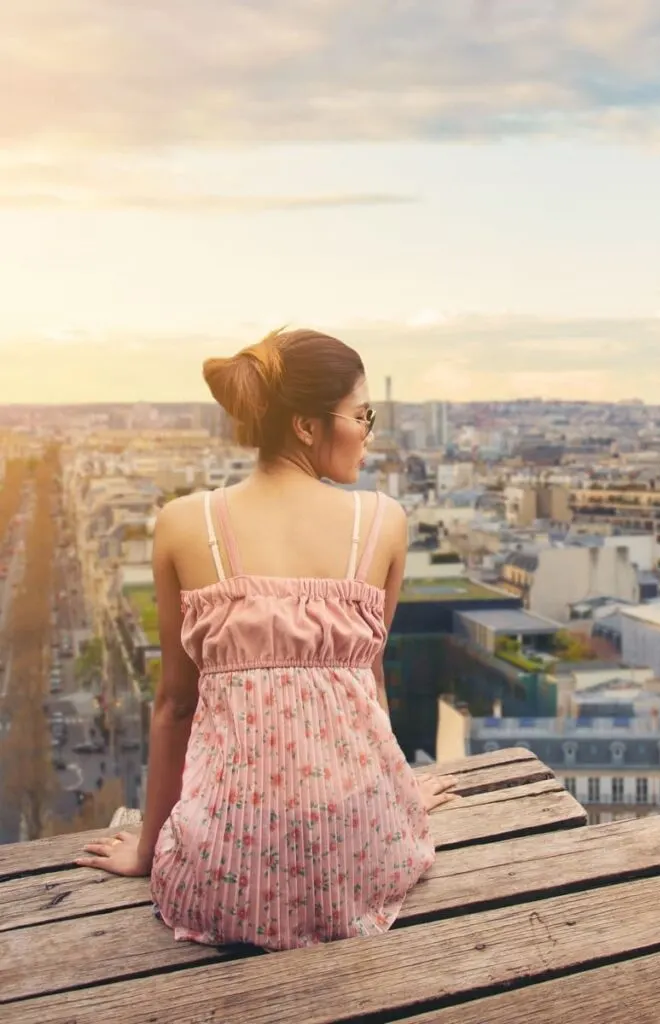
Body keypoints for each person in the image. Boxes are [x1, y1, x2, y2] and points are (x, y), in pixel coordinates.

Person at [76, 328, 457, 949]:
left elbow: (176, 704)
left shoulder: (182, 524)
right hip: (359, 861)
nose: (369, 431)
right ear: (308, 426)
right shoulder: (382, 522)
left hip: (223, 880)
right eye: (363, 414)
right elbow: (365, 684)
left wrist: (148, 851)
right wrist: (392, 795)